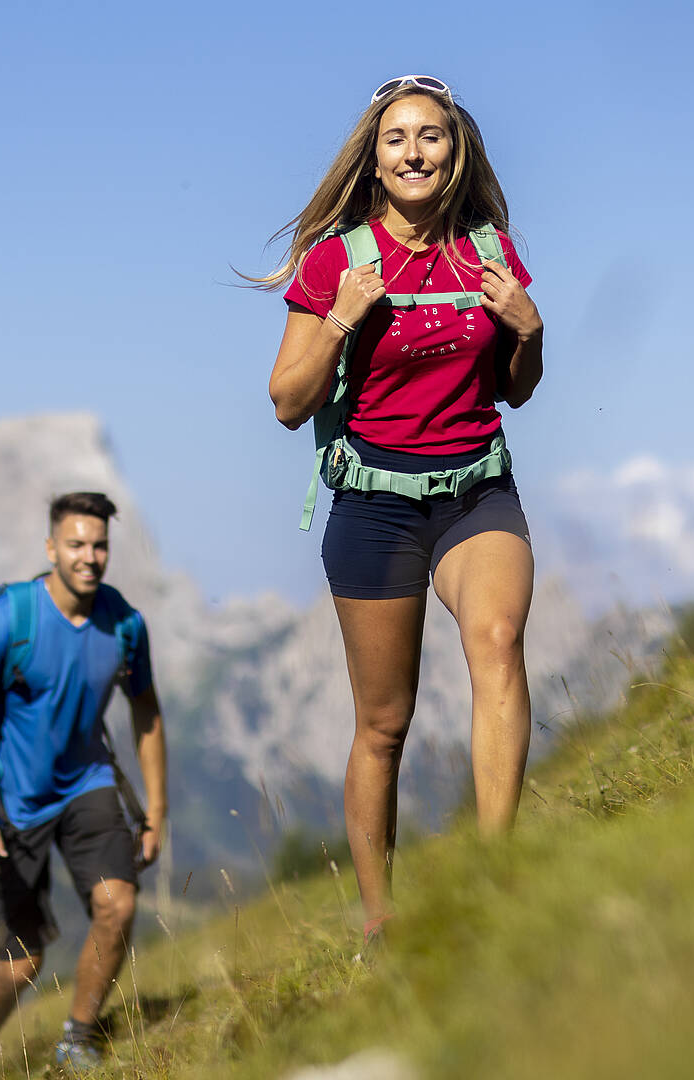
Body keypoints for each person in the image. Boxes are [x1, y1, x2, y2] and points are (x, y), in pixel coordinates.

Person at [260, 75, 544, 946]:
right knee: (384, 723)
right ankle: (381, 917)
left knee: (497, 642)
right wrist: (342, 317)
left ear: (455, 154)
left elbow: (516, 392)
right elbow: (286, 401)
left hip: (475, 491)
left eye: (431, 138)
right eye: (397, 140)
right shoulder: (337, 262)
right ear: (376, 161)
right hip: (375, 507)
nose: (414, 152)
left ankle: (494, 875)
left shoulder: (489, 252)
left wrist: (528, 331)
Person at [0, 491, 168, 1078]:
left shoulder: (126, 625)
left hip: (87, 784)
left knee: (118, 905)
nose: (89, 557)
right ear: (51, 548)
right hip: (14, 803)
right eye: (76, 544)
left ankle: (79, 1036)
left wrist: (156, 809)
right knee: (23, 962)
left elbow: (147, 711)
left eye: (100, 545)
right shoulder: (8, 621)